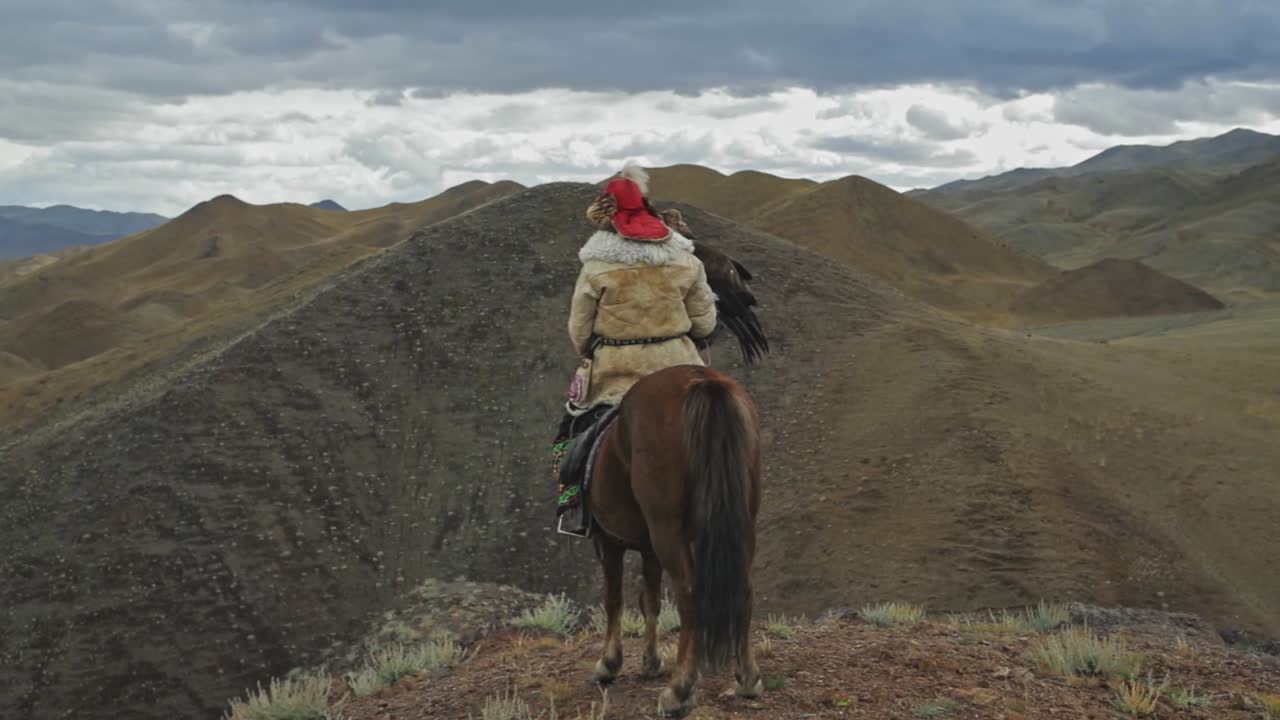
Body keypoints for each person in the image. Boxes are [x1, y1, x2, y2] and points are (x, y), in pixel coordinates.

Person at [552, 163, 719, 534]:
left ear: (609, 219)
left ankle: (573, 509)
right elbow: (705, 322)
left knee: (572, 431)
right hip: (681, 366)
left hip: (617, 372)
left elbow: (579, 330)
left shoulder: (596, 267)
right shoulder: (687, 261)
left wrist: (592, 351)